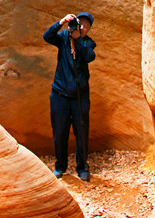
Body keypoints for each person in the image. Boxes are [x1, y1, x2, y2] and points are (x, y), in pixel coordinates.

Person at [43, 11, 95, 181]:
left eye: (87, 26)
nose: (83, 27)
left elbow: (88, 56)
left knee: (81, 133)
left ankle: (82, 167)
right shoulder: (64, 37)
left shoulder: (88, 43)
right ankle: (60, 166)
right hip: (59, 95)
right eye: (81, 23)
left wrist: (78, 38)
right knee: (60, 132)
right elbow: (47, 36)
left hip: (80, 98)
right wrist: (61, 22)